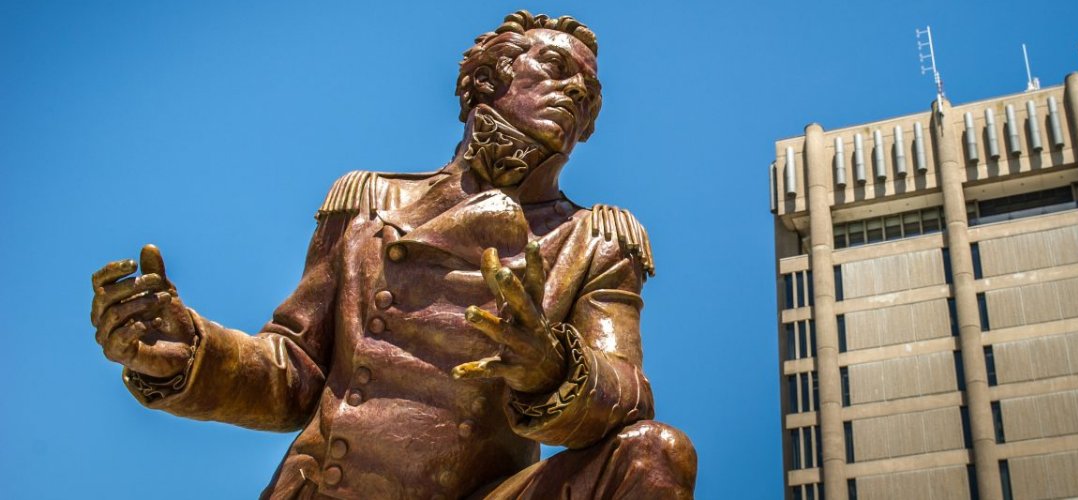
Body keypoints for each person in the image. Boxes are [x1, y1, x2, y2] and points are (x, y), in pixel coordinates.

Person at [88, 11, 696, 499]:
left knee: (656, 454)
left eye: (589, 93)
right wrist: (187, 352)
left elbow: (626, 397)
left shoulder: (596, 240)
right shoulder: (368, 203)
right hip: (336, 487)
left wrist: (551, 368)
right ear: (488, 79)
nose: (574, 92)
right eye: (556, 68)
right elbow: (295, 372)